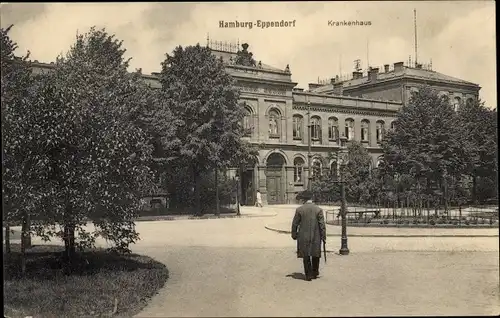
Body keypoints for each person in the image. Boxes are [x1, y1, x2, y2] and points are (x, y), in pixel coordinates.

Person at [291, 191, 326, 281]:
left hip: (303, 235)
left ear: (304, 200)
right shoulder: (318, 210)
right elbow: (322, 225)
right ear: (311, 199)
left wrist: (294, 235)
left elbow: (295, 224)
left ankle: (308, 275)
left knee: (306, 255)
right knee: (315, 254)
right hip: (316, 235)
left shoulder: (299, 210)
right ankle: (315, 272)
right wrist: (323, 236)